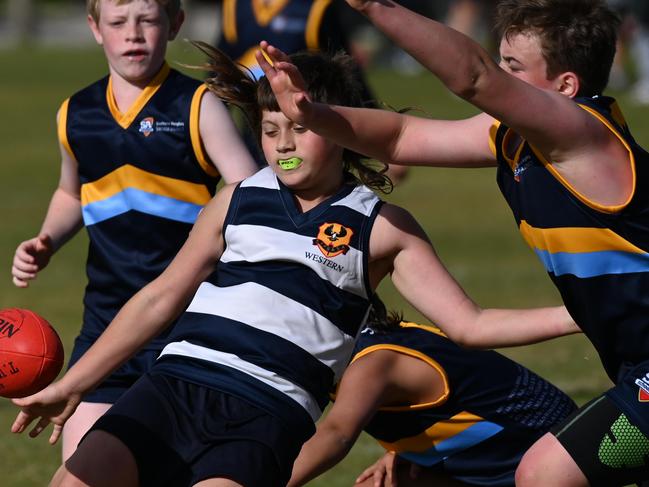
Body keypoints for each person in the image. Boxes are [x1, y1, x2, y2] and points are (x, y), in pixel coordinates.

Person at [11, 46, 577, 487]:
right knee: (77, 478)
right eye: (269, 128)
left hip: (268, 413)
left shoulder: (381, 226)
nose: (283, 143)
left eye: (301, 129)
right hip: (175, 384)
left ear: (339, 127)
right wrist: (76, 384)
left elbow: (470, 326)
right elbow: (161, 298)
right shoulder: (236, 199)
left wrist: (576, 313)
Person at [256, 0, 649, 484]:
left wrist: (374, 8)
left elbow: (474, 78)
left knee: (546, 475)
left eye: (514, 68)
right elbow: (400, 138)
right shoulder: (514, 138)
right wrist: (310, 113)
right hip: (634, 366)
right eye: (501, 61)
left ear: (566, 87)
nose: (501, 77)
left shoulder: (584, 132)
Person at [10, 0, 258, 461]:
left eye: (147, 20)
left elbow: (248, 191)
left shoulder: (197, 105)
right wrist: (46, 241)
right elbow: (72, 193)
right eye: (119, 22)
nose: (134, 34)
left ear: (174, 24)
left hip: (189, 321)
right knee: (80, 463)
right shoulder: (76, 113)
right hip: (105, 322)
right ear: (95, 28)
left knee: (173, 462)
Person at [288, 295, 578, 487]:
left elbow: (335, 434)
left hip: (549, 458)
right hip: (505, 456)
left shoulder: (373, 363)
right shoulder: (356, 349)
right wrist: (406, 448)